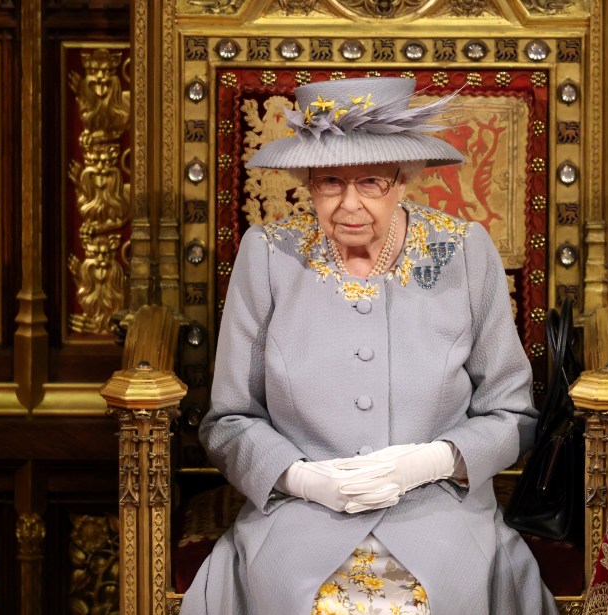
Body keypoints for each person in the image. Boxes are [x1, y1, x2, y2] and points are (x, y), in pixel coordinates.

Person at [182, 76, 558, 615]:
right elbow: (228, 420)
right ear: (307, 183)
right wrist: (301, 479)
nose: (349, 204)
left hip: (439, 514)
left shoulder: (463, 251)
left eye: (372, 182)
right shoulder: (267, 255)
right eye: (330, 182)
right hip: (297, 519)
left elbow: (511, 413)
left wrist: (430, 462)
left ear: (404, 181)